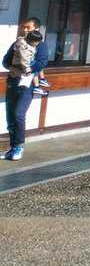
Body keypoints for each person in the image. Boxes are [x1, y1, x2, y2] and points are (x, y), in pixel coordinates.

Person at [3, 17, 47, 162]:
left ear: (36, 29)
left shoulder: (40, 45)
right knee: (10, 118)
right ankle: (13, 147)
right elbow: (5, 61)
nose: (25, 29)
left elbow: (42, 62)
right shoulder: (18, 42)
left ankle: (19, 147)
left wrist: (27, 70)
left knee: (18, 114)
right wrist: (13, 69)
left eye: (28, 27)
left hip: (27, 85)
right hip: (12, 83)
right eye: (24, 27)